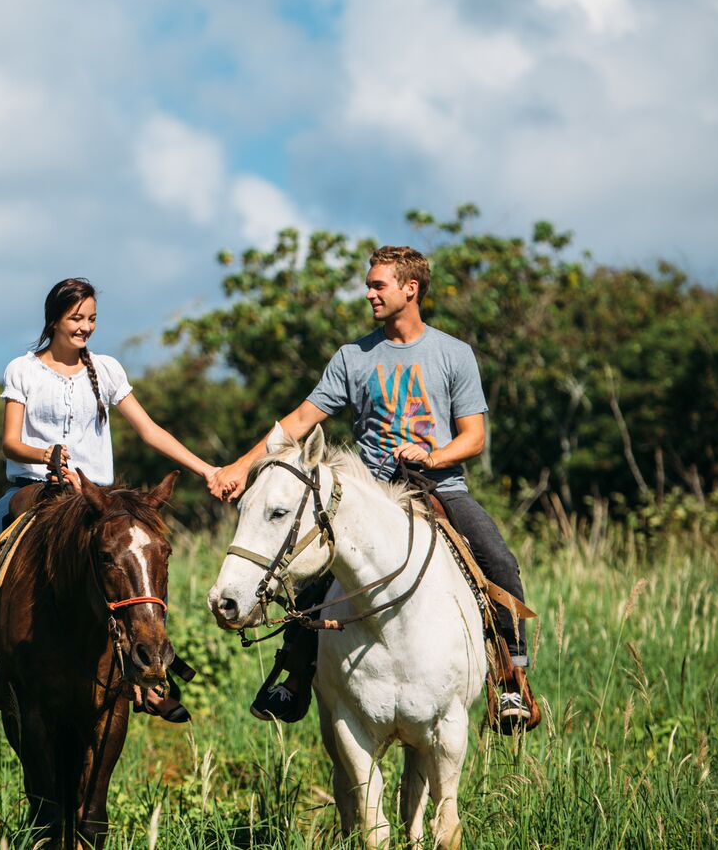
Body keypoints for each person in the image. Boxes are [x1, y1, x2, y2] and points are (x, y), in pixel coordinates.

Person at [210, 246, 536, 729]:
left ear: (411, 288)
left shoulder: (453, 354)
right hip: (371, 495)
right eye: (369, 285)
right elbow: (300, 421)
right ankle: (294, 677)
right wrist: (241, 465)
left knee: (499, 562)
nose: (369, 294)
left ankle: (510, 682)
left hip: (439, 487)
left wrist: (432, 456)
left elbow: (473, 437)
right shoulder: (352, 357)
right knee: (311, 579)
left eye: (378, 285)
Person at [0, 277, 221, 721]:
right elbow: (9, 442)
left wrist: (206, 469)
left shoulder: (109, 370)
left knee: (138, 567)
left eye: (92, 319)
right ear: (54, 320)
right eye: (76, 318)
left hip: (97, 497)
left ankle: (150, 680)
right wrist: (47, 454)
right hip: (34, 488)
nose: (85, 327)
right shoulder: (22, 370)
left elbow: (149, 430)